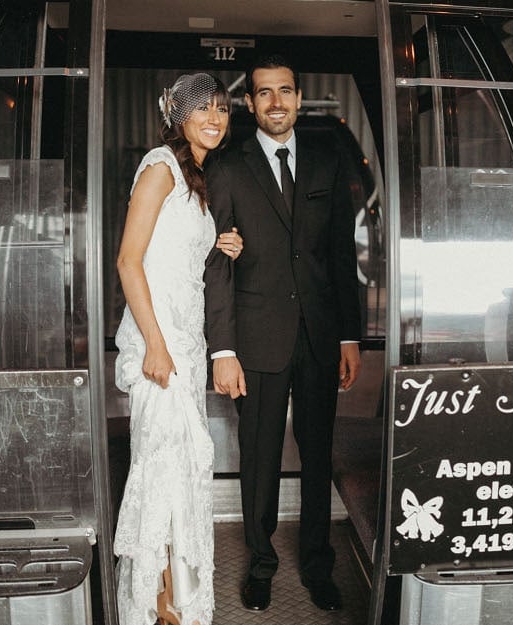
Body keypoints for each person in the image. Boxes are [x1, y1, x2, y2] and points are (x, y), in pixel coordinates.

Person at [203, 54, 363, 613]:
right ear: (251, 103)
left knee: (318, 457)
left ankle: (320, 565)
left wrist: (350, 336)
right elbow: (216, 262)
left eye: (285, 92)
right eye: (264, 93)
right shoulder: (226, 167)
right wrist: (222, 349)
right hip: (256, 339)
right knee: (261, 456)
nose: (276, 102)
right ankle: (261, 563)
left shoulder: (326, 160)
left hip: (320, 337)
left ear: (299, 98)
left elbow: (343, 256)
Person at [112, 72, 244, 625]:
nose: (216, 118)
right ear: (180, 117)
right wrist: (155, 347)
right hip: (161, 350)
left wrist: (216, 242)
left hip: (186, 351)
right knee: (164, 479)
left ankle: (178, 605)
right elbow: (128, 260)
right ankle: (159, 611)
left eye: (222, 109)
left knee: (184, 479)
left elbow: (174, 251)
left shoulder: (194, 177)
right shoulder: (160, 167)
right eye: (204, 109)